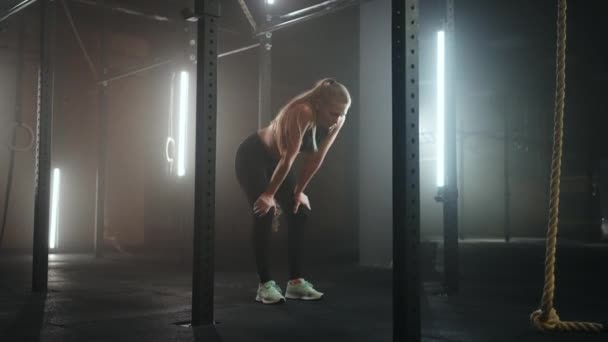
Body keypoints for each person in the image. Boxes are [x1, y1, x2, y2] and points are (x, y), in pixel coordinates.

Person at [234, 78, 351, 304]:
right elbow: (290, 157)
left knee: (300, 211)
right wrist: (268, 195)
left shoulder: (338, 121)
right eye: (333, 113)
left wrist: (298, 191)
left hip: (279, 162)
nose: (337, 119)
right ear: (319, 104)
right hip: (254, 156)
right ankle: (265, 284)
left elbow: (316, 158)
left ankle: (295, 283)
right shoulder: (302, 111)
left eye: (342, 113)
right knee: (264, 212)